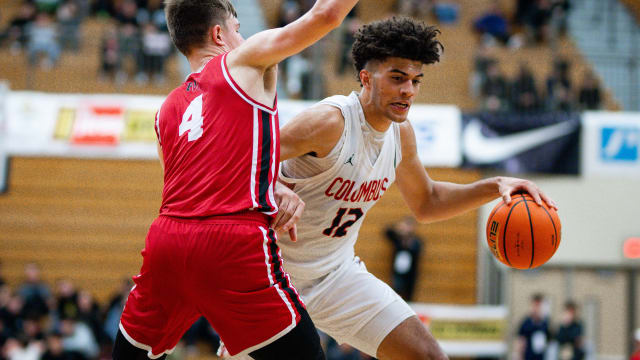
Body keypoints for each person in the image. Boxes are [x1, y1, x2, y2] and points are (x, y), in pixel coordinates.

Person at [276, 17, 557, 360]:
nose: (408, 90)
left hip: (336, 275)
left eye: (415, 80)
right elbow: (244, 155)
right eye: (397, 78)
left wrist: (497, 184)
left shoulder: (401, 135)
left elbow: (427, 201)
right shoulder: (329, 121)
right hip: (271, 276)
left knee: (429, 356)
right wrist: (274, 185)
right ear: (366, 78)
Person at [113, 1, 359, 359]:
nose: (242, 37)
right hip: (230, 241)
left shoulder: (166, 110)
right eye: (237, 28)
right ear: (218, 34)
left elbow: (204, 173)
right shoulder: (243, 61)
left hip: (167, 240)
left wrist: (270, 183)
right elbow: (327, 15)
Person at [384, 216, 423, 301]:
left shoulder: (415, 240)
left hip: (410, 271)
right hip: (398, 270)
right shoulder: (398, 238)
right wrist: (398, 230)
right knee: (396, 290)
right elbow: (387, 232)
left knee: (409, 292)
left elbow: (417, 250)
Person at [516, 293, 551, 360]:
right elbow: (521, 341)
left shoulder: (545, 323)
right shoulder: (526, 323)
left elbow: (549, 341)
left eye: (539, 306)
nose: (537, 308)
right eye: (535, 305)